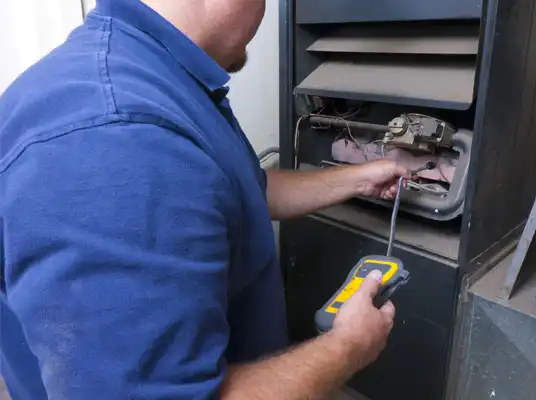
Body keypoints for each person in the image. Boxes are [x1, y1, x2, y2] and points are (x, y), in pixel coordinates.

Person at [0, 0, 410, 398]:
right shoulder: (118, 139)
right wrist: (347, 349)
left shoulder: (152, 73)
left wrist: (358, 178)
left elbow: (243, 190)